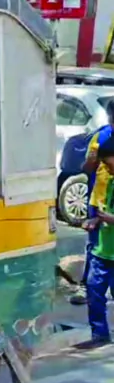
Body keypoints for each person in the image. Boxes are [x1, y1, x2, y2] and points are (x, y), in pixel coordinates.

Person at [73, 101, 114, 306]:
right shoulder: (101, 136)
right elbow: (86, 169)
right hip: (99, 200)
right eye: (112, 119)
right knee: (96, 246)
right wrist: (91, 161)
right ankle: (88, 286)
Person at [78, 134, 114, 350]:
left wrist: (108, 218)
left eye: (109, 165)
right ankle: (99, 333)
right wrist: (95, 220)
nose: (108, 170)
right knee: (94, 292)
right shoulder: (109, 184)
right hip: (101, 250)